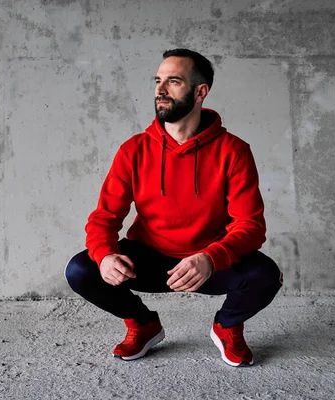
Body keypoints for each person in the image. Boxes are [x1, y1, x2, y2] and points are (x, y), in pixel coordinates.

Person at [65, 48, 283, 366]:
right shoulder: (133, 150)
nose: (160, 89)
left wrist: (211, 257)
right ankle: (142, 324)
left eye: (174, 81)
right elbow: (104, 217)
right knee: (81, 270)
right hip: (149, 258)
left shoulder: (233, 151)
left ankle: (228, 327)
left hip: (208, 261)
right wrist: (105, 255)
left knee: (266, 275)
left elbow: (250, 225)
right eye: (158, 80)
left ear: (200, 92)